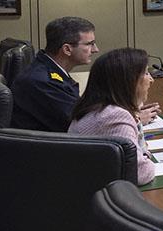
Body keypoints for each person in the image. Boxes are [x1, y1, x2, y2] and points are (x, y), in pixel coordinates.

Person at [10, 16, 159, 131]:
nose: (95, 50)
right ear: (67, 49)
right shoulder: (42, 82)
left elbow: (82, 112)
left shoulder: (50, 70)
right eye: (89, 44)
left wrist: (127, 109)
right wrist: (134, 118)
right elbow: (81, 125)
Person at [67, 47, 157, 186]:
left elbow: (140, 151)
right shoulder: (115, 116)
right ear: (129, 81)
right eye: (145, 73)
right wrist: (149, 162)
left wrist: (135, 108)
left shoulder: (99, 107)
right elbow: (139, 172)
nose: (151, 79)